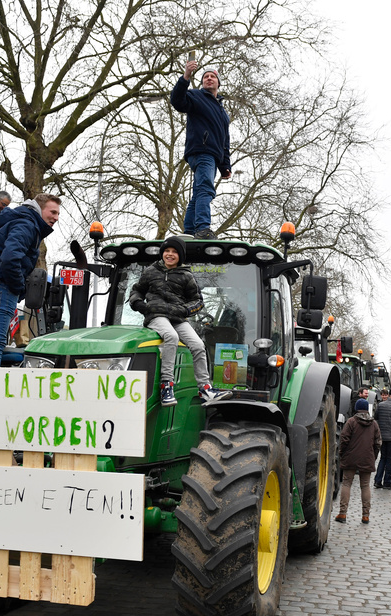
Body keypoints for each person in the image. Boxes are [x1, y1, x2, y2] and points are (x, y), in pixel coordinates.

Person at [128, 235, 228, 405]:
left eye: (174, 251)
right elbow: (137, 291)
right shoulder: (151, 272)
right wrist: (139, 304)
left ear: (180, 256)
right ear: (162, 253)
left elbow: (198, 301)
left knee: (198, 345)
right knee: (171, 337)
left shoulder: (186, 275)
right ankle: (166, 385)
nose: (170, 254)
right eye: (167, 250)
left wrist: (184, 310)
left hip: (178, 318)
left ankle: (205, 388)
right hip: (156, 316)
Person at [0, 193, 59, 367]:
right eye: (53, 212)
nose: (56, 218)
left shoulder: (16, 220)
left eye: (58, 214)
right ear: (40, 209)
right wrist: (18, 286)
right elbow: (10, 258)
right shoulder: (27, 225)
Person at [170, 61, 232, 238]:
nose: (209, 79)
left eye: (212, 76)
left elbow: (224, 140)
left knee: (198, 193)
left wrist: (225, 166)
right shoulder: (196, 96)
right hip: (201, 151)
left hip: (213, 156)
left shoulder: (222, 111)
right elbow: (177, 100)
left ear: (218, 82)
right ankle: (203, 229)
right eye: (206, 77)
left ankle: (189, 231)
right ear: (202, 82)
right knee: (206, 189)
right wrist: (186, 76)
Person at [336, 398, 381, 524]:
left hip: (350, 457)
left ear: (356, 408)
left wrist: (342, 454)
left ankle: (342, 514)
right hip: (367, 458)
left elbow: (343, 439)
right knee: (365, 486)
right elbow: (378, 443)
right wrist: (373, 456)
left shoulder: (351, 422)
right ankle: (365, 515)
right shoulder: (374, 424)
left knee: (346, 484)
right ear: (367, 409)